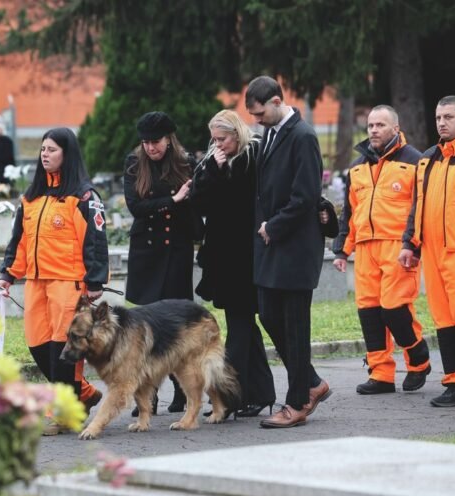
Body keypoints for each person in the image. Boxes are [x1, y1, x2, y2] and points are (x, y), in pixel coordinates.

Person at [0, 127, 109, 434]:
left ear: (67, 154)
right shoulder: (31, 197)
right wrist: (8, 275)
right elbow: (18, 240)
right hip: (36, 282)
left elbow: (96, 240)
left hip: (68, 283)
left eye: (52, 150)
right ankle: (82, 394)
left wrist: (95, 280)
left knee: (64, 350)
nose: (45, 154)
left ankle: (63, 411)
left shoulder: (84, 196)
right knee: (38, 346)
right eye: (43, 149)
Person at [245, 76, 332, 429]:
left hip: (294, 246)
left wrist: (274, 226)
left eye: (260, 112)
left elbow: (305, 196)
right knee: (268, 314)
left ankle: (297, 403)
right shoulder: (270, 134)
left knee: (296, 327)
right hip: (271, 246)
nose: (257, 119)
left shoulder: (303, 136)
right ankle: (311, 382)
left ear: (278, 101)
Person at [333, 105, 431, 395]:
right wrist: (341, 250)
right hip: (365, 249)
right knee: (370, 312)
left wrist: (412, 244)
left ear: (396, 128)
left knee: (394, 308)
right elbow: (349, 212)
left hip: (398, 247)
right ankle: (381, 374)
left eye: (380, 125)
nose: (374, 130)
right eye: (371, 125)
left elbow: (421, 208)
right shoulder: (357, 165)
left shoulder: (416, 161)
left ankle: (418, 357)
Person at [191, 110, 276, 418]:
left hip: (245, 255)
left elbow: (241, 200)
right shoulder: (213, 163)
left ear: (237, 135)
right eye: (214, 139)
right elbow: (200, 202)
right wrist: (213, 169)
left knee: (239, 329)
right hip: (222, 255)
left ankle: (228, 395)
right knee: (244, 326)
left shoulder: (252, 158)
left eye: (223, 139)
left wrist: (223, 171)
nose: (218, 145)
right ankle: (262, 392)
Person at [123, 111, 204, 415]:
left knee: (174, 327)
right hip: (146, 254)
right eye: (145, 142)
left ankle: (183, 392)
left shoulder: (186, 164)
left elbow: (196, 205)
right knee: (144, 328)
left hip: (176, 254)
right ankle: (148, 395)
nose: (150, 148)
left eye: (155, 141)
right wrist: (173, 199)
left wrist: (186, 198)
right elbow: (137, 207)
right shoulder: (134, 164)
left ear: (169, 139)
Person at [400, 95, 455, 407]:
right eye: (438, 117)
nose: (442, 123)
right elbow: (418, 206)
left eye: (448, 117)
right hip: (433, 254)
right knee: (444, 322)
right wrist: (409, 244)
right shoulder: (430, 158)